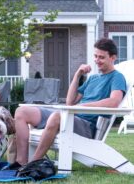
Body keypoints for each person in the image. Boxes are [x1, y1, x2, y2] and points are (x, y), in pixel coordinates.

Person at [8, 37, 127, 170]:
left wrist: (81, 107)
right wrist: (78, 74)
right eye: (95, 56)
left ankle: (34, 164)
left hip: (87, 126)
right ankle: (21, 162)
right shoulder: (93, 78)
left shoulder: (117, 77)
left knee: (58, 116)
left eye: (101, 57)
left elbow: (114, 101)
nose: (97, 61)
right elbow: (70, 101)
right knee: (22, 112)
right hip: (71, 116)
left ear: (113, 57)